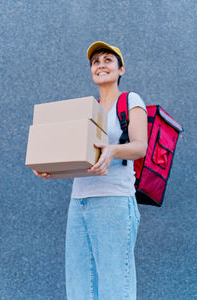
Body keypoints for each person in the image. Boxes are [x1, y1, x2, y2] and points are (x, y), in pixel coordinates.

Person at [34, 41, 148, 300]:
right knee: (80, 286)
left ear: (121, 69)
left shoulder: (130, 100)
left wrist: (112, 150)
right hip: (79, 203)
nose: (101, 65)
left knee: (116, 285)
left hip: (114, 201)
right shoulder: (87, 110)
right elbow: (73, 155)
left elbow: (140, 147)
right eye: (96, 62)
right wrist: (48, 167)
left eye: (108, 60)